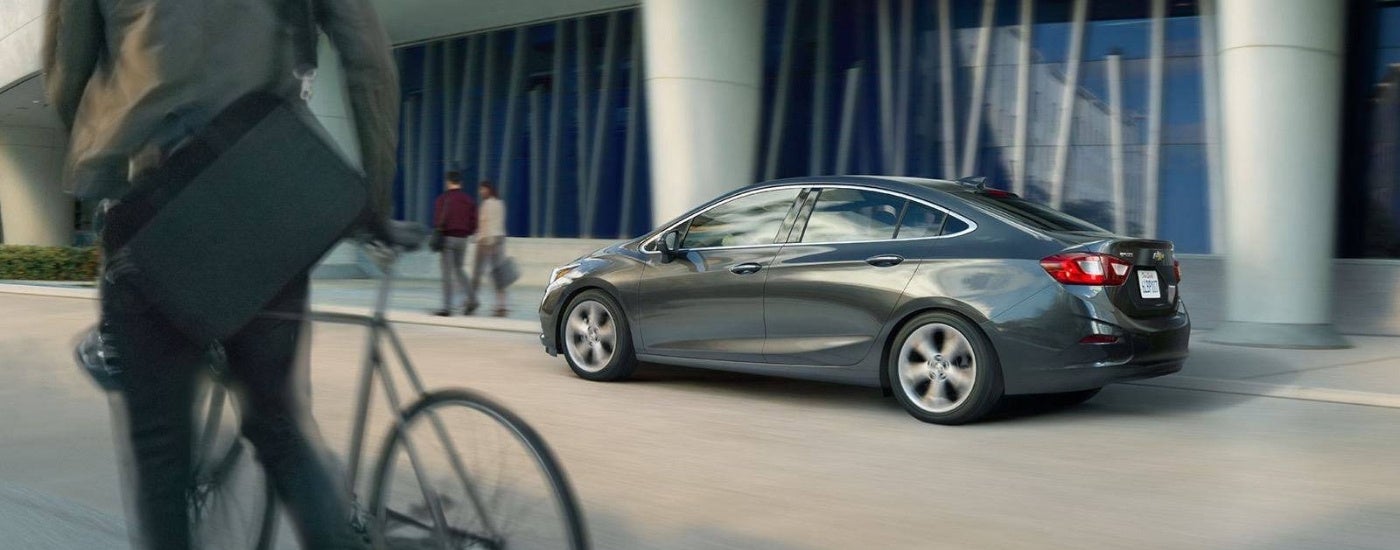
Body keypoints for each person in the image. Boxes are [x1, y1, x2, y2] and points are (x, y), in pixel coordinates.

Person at [43, 0, 399, 548]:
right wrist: (372, 196)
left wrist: (107, 166)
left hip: (161, 210)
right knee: (280, 428)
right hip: (265, 187)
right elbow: (368, 57)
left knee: (163, 458)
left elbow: (67, 76)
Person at [432, 170, 478, 316]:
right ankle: (472, 299)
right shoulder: (468, 200)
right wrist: (467, 232)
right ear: (460, 183)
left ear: (448, 182)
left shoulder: (443, 199)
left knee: (447, 274)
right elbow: (474, 222)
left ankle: (447, 307)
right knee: (460, 270)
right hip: (463, 239)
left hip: (448, 239)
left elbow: (438, 220)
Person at [472, 180, 510, 317]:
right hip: (499, 240)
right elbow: (499, 223)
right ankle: (502, 306)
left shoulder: (486, 204)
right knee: (499, 275)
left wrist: (483, 241)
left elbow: (484, 224)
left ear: (487, 189)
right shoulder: (500, 203)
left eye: (482, 189)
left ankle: (471, 301)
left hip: (486, 241)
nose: (481, 192)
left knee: (477, 273)